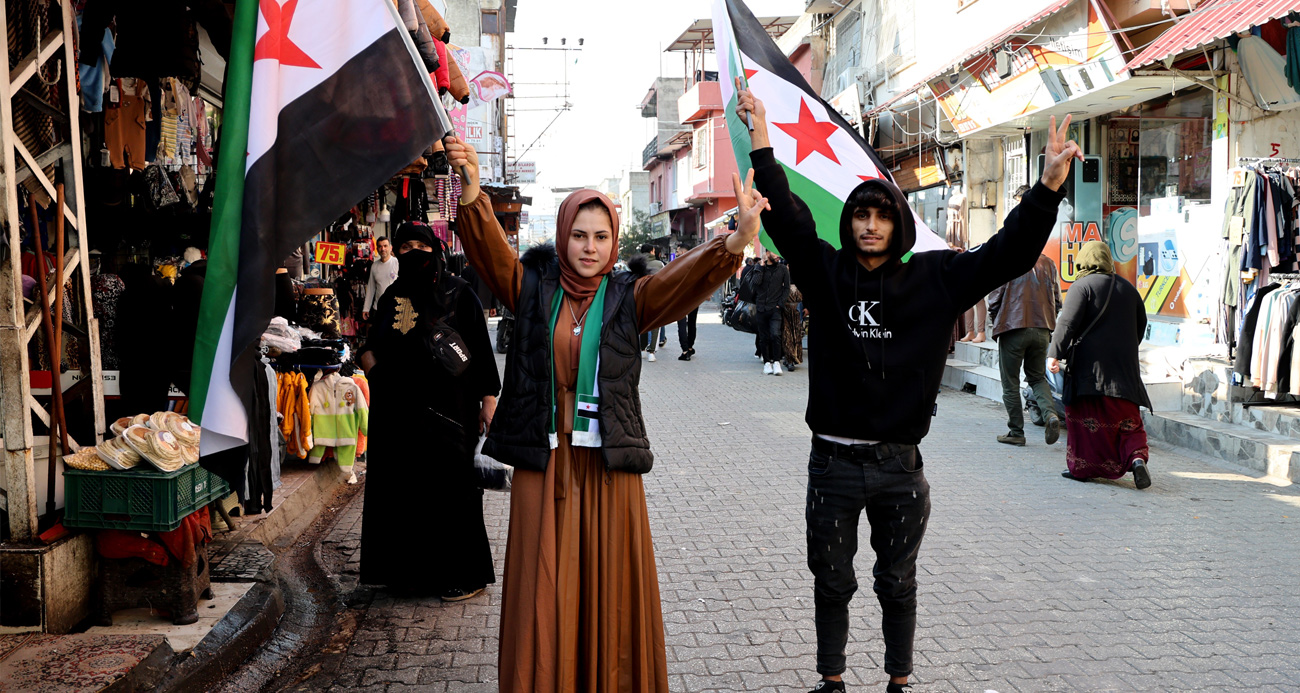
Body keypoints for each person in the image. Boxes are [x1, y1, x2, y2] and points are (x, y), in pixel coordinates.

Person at [736, 83, 1078, 693]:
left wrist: (1048, 188)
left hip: (900, 468)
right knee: (832, 580)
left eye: (883, 215)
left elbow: (1007, 254)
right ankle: (832, 680)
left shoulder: (936, 277)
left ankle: (900, 682)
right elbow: (787, 218)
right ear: (850, 221)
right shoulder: (825, 271)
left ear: (898, 225)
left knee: (898, 581)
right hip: (832, 466)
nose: (870, 225)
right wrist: (761, 136)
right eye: (862, 215)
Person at [445, 135, 758, 693]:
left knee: (610, 586)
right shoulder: (533, 290)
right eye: (579, 235)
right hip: (544, 466)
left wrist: (733, 243)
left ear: (613, 242)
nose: (589, 247)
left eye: (601, 236)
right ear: (563, 237)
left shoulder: (627, 297)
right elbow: (493, 257)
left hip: (608, 465)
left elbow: (680, 283)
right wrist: (472, 195)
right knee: (541, 587)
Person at [356, 221, 501, 600]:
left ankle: (465, 576)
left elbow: (483, 355)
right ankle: (410, 574)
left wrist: (489, 402)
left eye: (421, 245)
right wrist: (377, 373)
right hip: (400, 414)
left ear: (435, 249)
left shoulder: (459, 293)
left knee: (452, 490)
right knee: (407, 492)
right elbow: (370, 346)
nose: (413, 253)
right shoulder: (392, 297)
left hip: (452, 412)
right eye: (405, 248)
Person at [1048, 241, 1153, 489]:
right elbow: (1141, 324)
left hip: (1090, 371)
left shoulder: (1081, 286)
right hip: (1124, 371)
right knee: (1127, 420)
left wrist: (1054, 354)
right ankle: (1137, 459)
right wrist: (1126, 349)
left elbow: (1067, 324)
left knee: (1087, 419)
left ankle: (1083, 468)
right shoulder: (1128, 288)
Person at [987, 251, 1063, 446]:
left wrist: (996, 321)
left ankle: (1016, 431)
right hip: (1042, 327)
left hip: (1013, 327)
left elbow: (994, 298)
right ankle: (1050, 415)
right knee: (1037, 377)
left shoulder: (1006, 258)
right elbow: (1057, 300)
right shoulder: (1048, 263)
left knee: (1010, 382)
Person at [753, 248, 791, 375]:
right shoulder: (759, 268)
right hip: (761, 308)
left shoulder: (783, 269)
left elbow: (786, 288)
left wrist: (780, 304)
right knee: (763, 337)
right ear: (767, 254)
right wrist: (762, 267)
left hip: (775, 308)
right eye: (774, 253)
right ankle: (767, 363)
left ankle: (776, 362)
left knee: (775, 334)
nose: (777, 256)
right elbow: (756, 283)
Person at [639, 243, 667, 362]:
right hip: (656, 296)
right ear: (651, 252)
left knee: (643, 323)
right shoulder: (659, 264)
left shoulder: (637, 264)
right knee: (654, 325)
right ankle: (651, 352)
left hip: (640, 297)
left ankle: (642, 350)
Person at [362, 236, 399, 322]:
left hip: (395, 308)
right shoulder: (374, 266)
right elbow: (371, 288)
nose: (383, 249)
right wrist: (366, 308)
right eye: (380, 246)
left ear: (390, 247)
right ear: (377, 249)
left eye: (385, 246)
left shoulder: (397, 263)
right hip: (378, 308)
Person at [675, 243, 701, 361]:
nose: (676, 254)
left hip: (681, 298)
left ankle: (685, 350)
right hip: (694, 297)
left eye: (677, 251)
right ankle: (690, 347)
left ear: (683, 252)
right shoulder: (696, 263)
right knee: (692, 323)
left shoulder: (678, 265)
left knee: (681, 323)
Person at [782, 283, 806, 371]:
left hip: (797, 308)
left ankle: (795, 357)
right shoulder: (782, 271)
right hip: (785, 309)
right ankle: (789, 359)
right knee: (787, 334)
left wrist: (807, 307)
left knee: (796, 335)